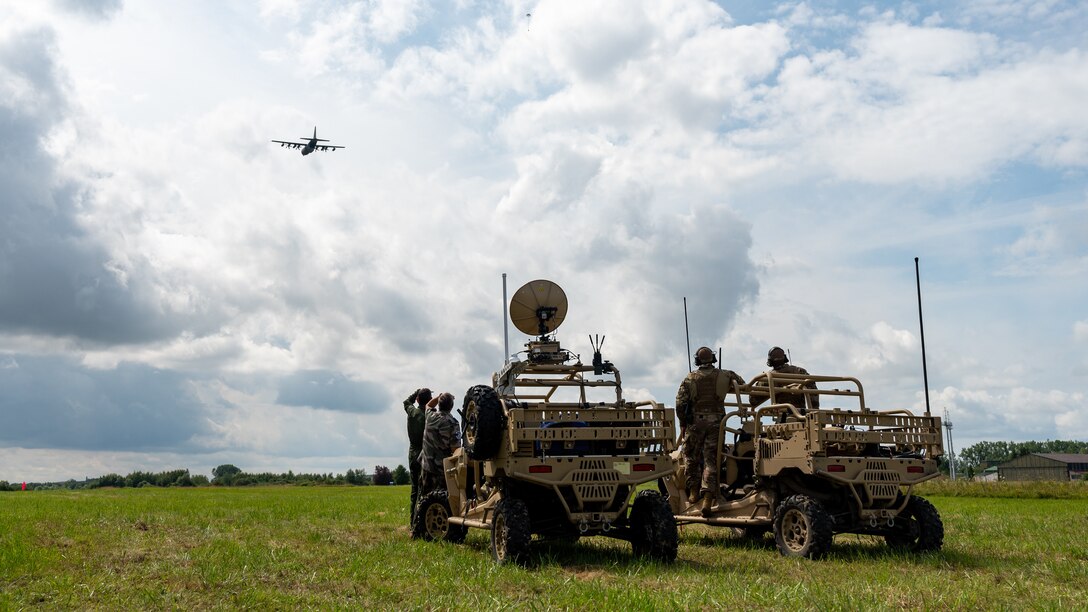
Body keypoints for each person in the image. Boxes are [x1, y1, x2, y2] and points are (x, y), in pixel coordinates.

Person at [675, 346, 745, 517]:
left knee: (691, 456)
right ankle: (708, 496)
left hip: (696, 423)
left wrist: (683, 422)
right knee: (711, 459)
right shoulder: (727, 374)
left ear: (697, 360)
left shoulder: (690, 378)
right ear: (713, 359)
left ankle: (693, 492)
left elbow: (680, 404)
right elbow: (742, 385)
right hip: (717, 423)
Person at [751, 347, 819, 422]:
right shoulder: (800, 372)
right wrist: (814, 414)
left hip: (782, 418)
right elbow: (813, 392)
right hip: (803, 417)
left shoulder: (767, 378)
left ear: (770, 361)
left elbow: (753, 400)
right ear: (785, 358)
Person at [417, 392, 461, 499]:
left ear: (439, 405)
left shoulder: (430, 416)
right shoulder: (453, 423)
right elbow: (455, 450)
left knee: (423, 500)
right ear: (451, 407)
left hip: (426, 467)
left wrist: (439, 396)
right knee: (440, 501)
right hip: (441, 470)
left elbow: (429, 405)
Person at [404, 387, 432, 524]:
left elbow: (406, 402)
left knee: (414, 491)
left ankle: (412, 522)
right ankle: (421, 522)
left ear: (417, 400)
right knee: (424, 490)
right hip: (424, 455)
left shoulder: (412, 412)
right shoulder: (429, 416)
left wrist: (416, 391)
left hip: (412, 454)